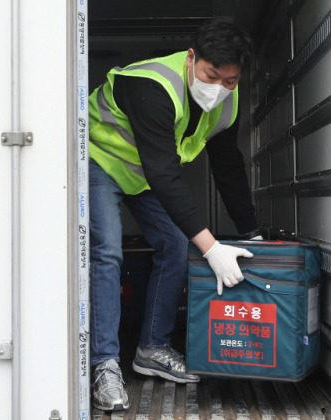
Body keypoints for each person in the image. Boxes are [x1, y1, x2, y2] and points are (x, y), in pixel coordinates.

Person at [88, 19, 262, 411]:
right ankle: (104, 362)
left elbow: (227, 166)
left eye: (230, 81)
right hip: (100, 161)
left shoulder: (225, 103)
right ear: (190, 58)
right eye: (211, 75)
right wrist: (213, 247)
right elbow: (164, 173)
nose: (218, 88)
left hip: (142, 173)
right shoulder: (152, 85)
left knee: (175, 244)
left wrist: (251, 233)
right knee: (107, 251)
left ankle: (151, 347)